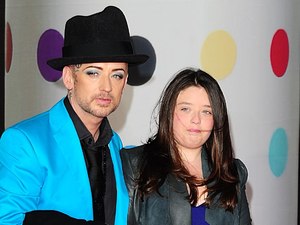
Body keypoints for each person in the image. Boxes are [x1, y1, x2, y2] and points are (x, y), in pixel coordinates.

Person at [0, 6, 148, 225]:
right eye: (93, 73)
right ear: (69, 77)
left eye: (117, 75)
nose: (106, 87)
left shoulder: (115, 144)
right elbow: (8, 219)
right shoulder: (24, 141)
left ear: (125, 82)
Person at [120, 68, 252, 225]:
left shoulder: (232, 173)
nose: (196, 119)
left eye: (206, 112)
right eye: (185, 109)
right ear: (169, 112)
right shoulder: (135, 164)